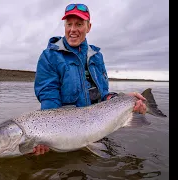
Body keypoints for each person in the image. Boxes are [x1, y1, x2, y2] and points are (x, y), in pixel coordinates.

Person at [32, 3, 147, 156]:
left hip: (98, 128)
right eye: (69, 24)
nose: (73, 29)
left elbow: (104, 95)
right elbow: (49, 97)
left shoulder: (97, 56)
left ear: (88, 27)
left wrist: (125, 99)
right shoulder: (49, 56)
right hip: (66, 134)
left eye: (79, 24)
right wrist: (45, 135)